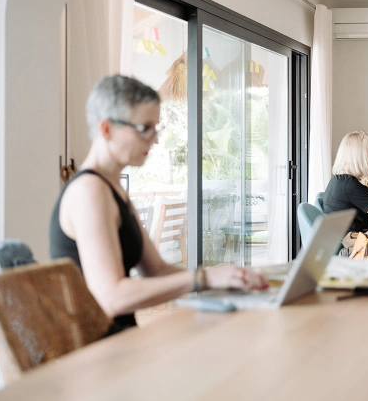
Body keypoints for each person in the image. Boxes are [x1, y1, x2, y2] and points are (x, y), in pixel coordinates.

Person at [50, 75, 268, 334]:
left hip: (123, 340)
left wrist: (226, 279)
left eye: (156, 128)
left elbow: (157, 270)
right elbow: (111, 297)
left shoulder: (114, 188)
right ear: (106, 129)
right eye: (145, 128)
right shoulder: (89, 192)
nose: (154, 139)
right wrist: (205, 278)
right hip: (97, 354)